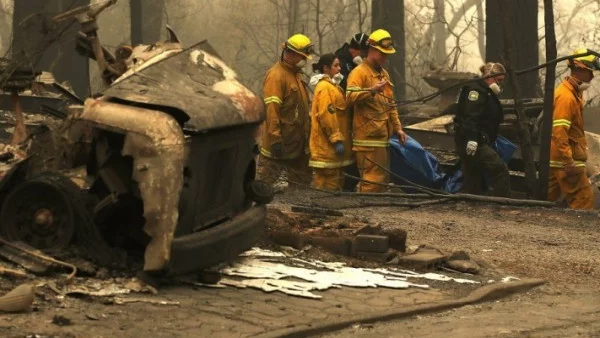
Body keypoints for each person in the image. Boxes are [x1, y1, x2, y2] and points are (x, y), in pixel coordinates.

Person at [346, 29, 407, 193]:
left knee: (381, 180)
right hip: (367, 139)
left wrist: (398, 128)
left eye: (387, 54)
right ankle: (363, 214)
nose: (385, 58)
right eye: (382, 54)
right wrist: (371, 90)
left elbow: (390, 104)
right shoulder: (359, 73)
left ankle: (373, 213)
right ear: (372, 50)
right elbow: (349, 97)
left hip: (382, 137)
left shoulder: (383, 74)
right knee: (371, 181)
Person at [258, 34, 314, 190]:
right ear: (290, 53)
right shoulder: (276, 76)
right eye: (302, 57)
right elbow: (272, 110)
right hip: (280, 144)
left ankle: (296, 212)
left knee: (300, 188)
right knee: (264, 186)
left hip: (297, 144)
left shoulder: (295, 75)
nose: (304, 61)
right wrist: (275, 139)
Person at [548, 49, 599, 210]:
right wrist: (568, 161)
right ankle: (580, 235)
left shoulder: (573, 94)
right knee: (584, 201)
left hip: (559, 160)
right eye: (589, 72)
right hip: (567, 162)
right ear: (579, 69)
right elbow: (559, 131)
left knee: (548, 201)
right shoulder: (566, 97)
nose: (592, 76)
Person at [453, 62, 511, 197]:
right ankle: (504, 202)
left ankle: (468, 203)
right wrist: (472, 140)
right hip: (472, 140)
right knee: (499, 169)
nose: (501, 84)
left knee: (473, 176)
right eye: (499, 80)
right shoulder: (476, 91)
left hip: (478, 139)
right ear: (490, 76)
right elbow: (471, 117)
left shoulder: (486, 91)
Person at [308, 53, 354, 191]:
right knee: (327, 186)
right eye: (336, 65)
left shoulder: (333, 87)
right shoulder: (325, 88)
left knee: (333, 184)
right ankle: (320, 211)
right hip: (327, 149)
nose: (339, 68)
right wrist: (336, 138)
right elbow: (327, 115)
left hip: (331, 152)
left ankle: (324, 210)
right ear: (326, 68)